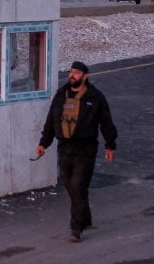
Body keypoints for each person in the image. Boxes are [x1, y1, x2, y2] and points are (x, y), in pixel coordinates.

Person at [36, 61, 118, 242]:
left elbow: (106, 122)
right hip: (64, 148)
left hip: (86, 150)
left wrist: (110, 145)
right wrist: (44, 143)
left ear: (85, 76)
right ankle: (85, 218)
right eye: (71, 71)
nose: (72, 75)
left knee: (78, 186)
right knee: (70, 185)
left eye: (77, 72)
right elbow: (51, 121)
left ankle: (76, 228)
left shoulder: (95, 97)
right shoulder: (61, 95)